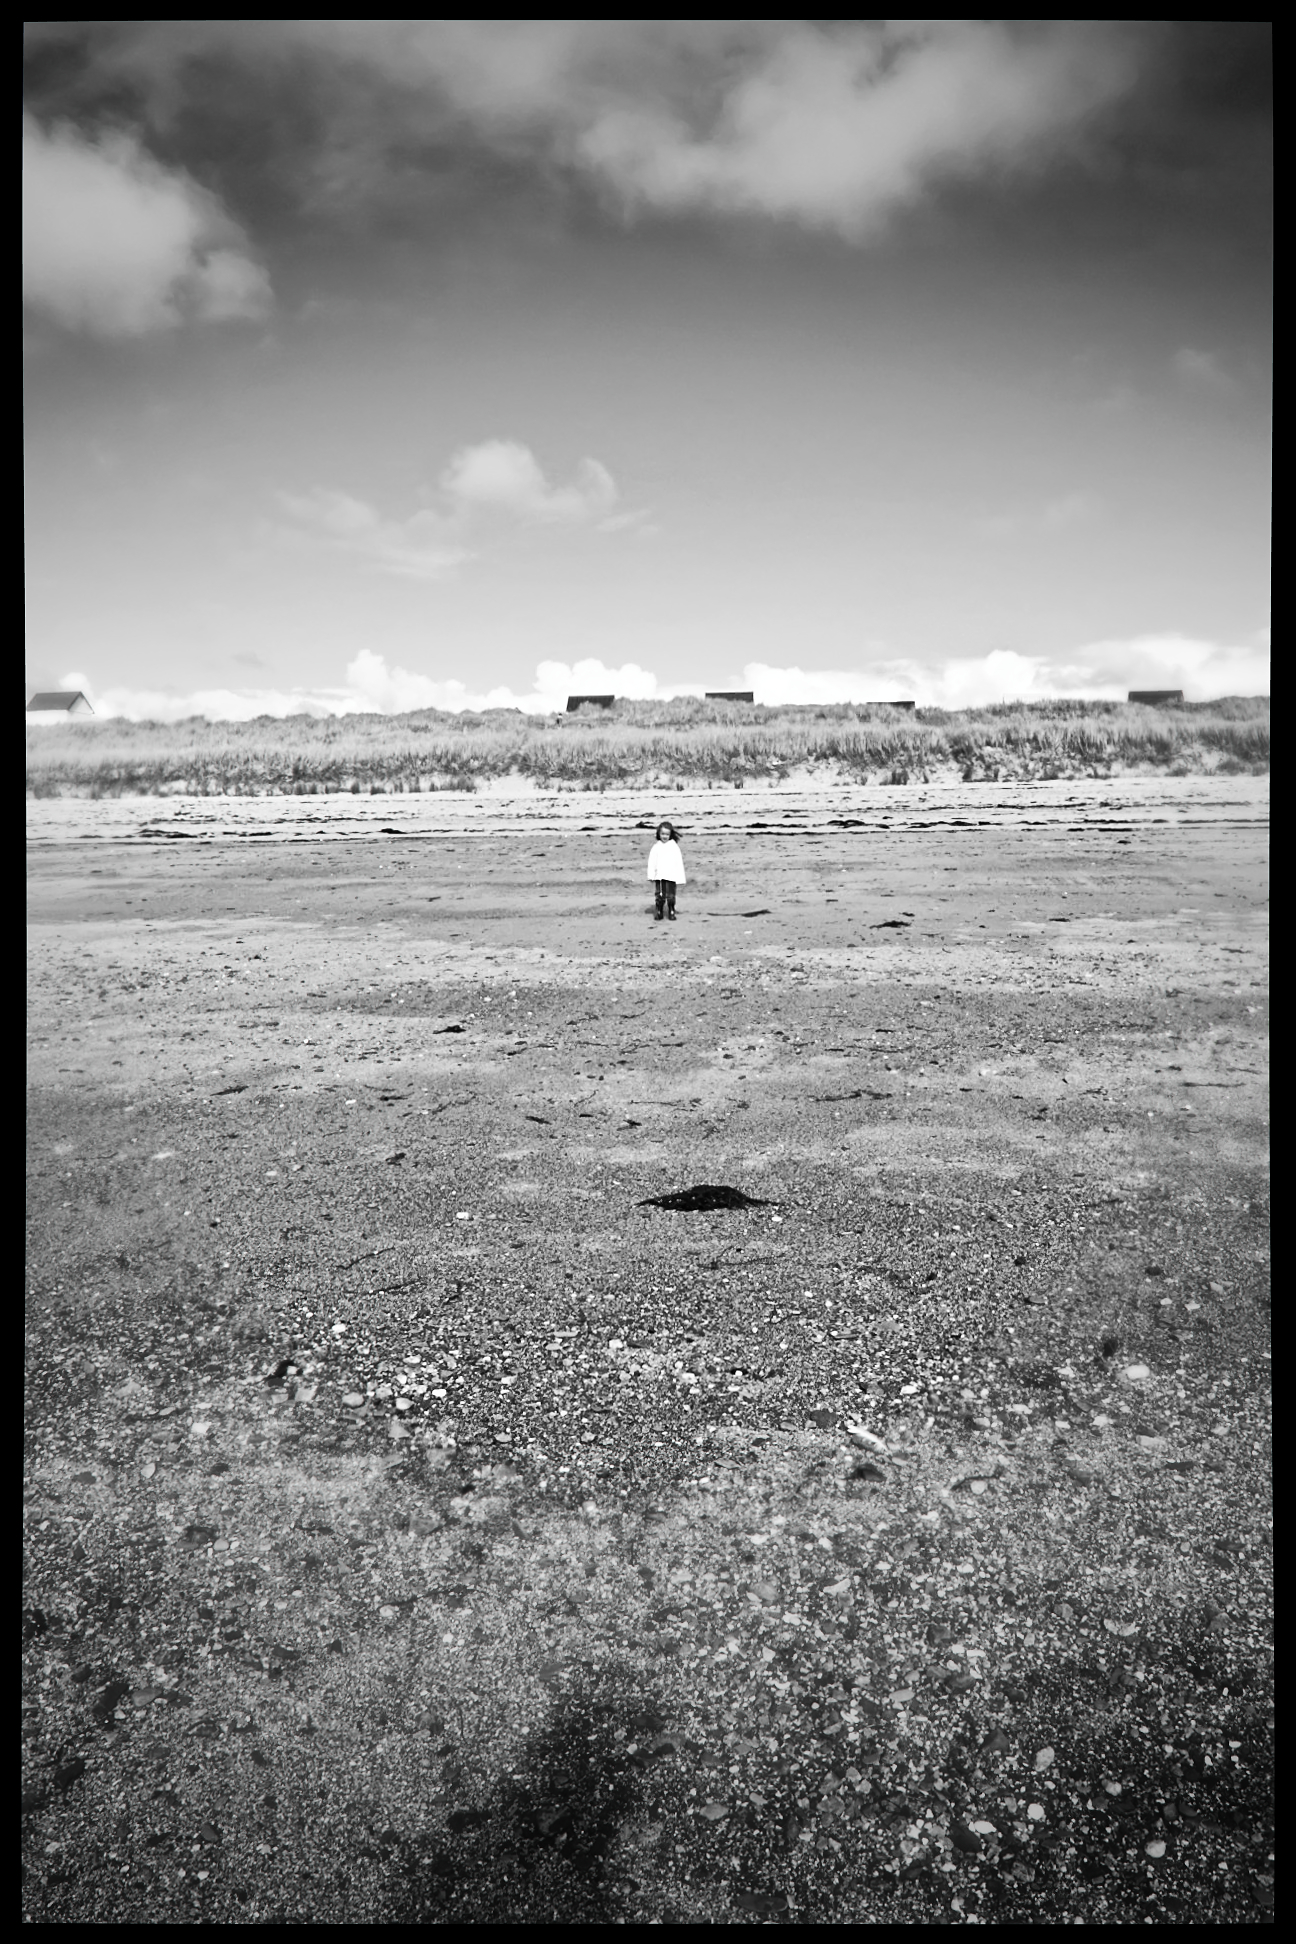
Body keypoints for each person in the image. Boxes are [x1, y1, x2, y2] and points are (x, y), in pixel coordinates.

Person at [646, 820, 686, 920]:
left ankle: (671, 910)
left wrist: (680, 878)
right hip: (659, 876)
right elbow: (652, 863)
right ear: (659, 834)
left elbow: (678, 863)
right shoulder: (656, 847)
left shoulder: (674, 847)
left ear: (670, 835)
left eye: (667, 834)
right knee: (660, 895)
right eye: (662, 834)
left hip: (671, 876)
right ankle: (659, 911)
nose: (664, 836)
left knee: (671, 895)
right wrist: (651, 875)